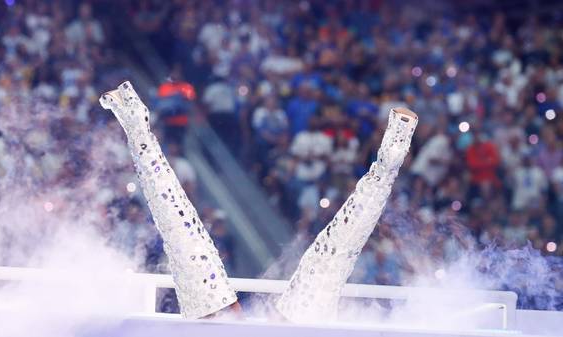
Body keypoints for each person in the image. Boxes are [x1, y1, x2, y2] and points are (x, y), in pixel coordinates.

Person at [100, 81, 417, 322]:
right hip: (275, 324)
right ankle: (388, 163)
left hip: (237, 322)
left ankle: (137, 127)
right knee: (330, 260)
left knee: (186, 241)